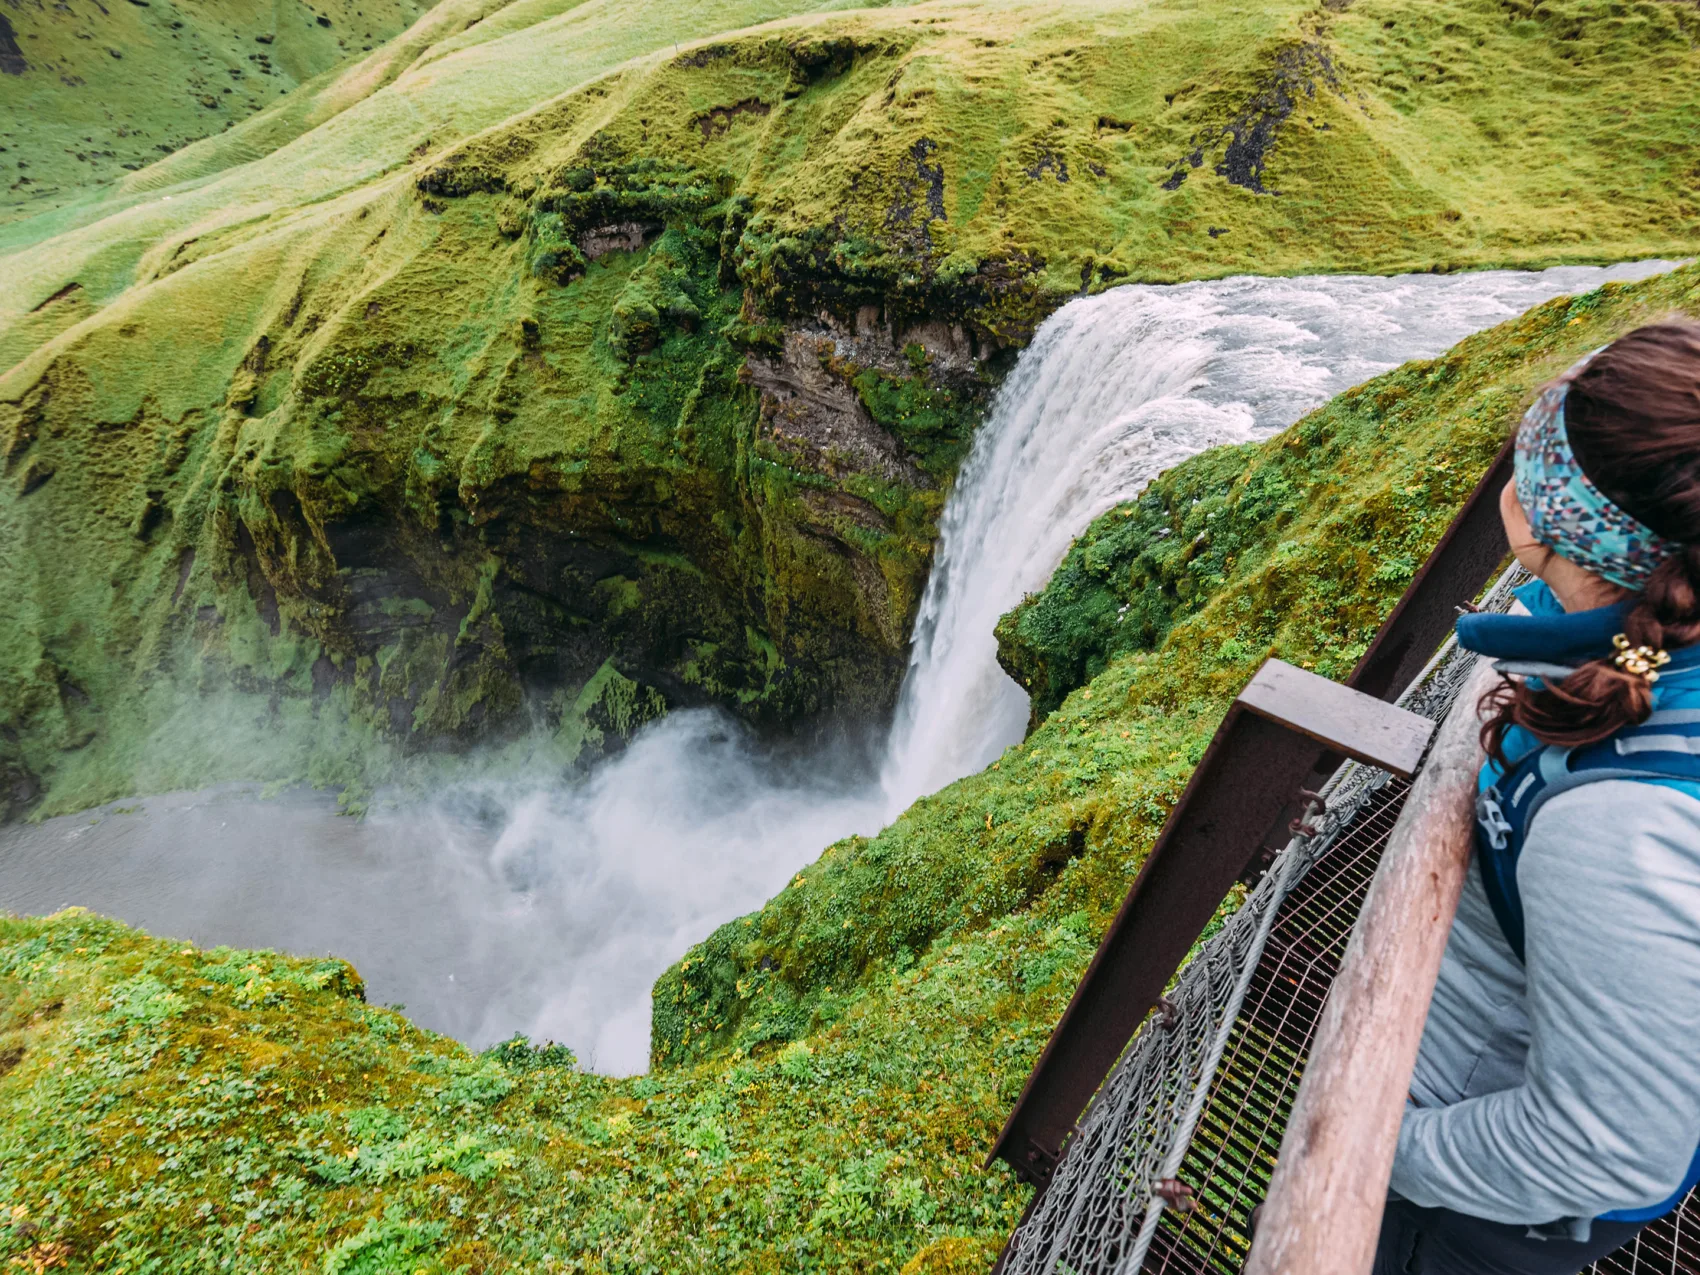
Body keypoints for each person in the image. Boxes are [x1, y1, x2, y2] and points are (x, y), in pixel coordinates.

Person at [1374, 321, 1700, 1275]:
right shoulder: (1640, 637)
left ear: (1539, 521)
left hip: (1474, 1209)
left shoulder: (1619, 825)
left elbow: (1605, 1146)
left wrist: (1376, 1148)